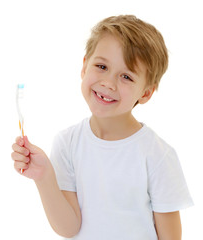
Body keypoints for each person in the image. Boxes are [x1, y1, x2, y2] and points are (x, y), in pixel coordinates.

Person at [11, 15, 194, 240]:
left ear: (146, 93)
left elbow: (170, 236)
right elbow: (69, 228)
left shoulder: (157, 154)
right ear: (84, 66)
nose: (108, 83)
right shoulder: (67, 143)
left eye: (126, 76)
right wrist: (44, 176)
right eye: (101, 66)